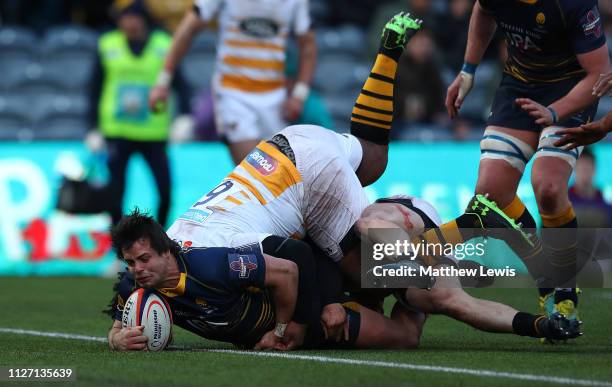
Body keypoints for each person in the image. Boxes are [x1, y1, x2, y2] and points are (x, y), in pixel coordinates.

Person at [164, 13, 578, 344]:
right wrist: (538, 326)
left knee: (399, 281)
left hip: (321, 188)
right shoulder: (182, 239)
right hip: (288, 148)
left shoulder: (410, 273)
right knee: (373, 160)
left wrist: (312, 312)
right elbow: (463, 305)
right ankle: (387, 58)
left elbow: (302, 259)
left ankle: (473, 224)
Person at [444, 0, 609, 324]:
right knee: (490, 197)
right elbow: (484, 10)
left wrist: (555, 112)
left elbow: (599, 73)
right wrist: (468, 69)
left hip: (571, 88)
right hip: (519, 86)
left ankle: (565, 290)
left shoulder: (574, 4)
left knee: (547, 187)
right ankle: (544, 275)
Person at [148, 0, 317, 164]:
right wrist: (163, 81)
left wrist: (299, 95)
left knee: (277, 178)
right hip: (233, 94)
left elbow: (308, 45)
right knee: (254, 171)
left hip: (274, 98)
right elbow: (188, 28)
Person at [87, 1, 191, 227]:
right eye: (125, 18)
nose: (130, 23)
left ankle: (161, 240)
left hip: (153, 132)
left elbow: (180, 82)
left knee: (165, 190)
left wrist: (185, 115)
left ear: (144, 20)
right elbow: (94, 87)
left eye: (134, 18)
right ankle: (118, 250)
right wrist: (93, 127)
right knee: (114, 193)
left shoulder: (164, 44)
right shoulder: (108, 44)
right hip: (117, 131)